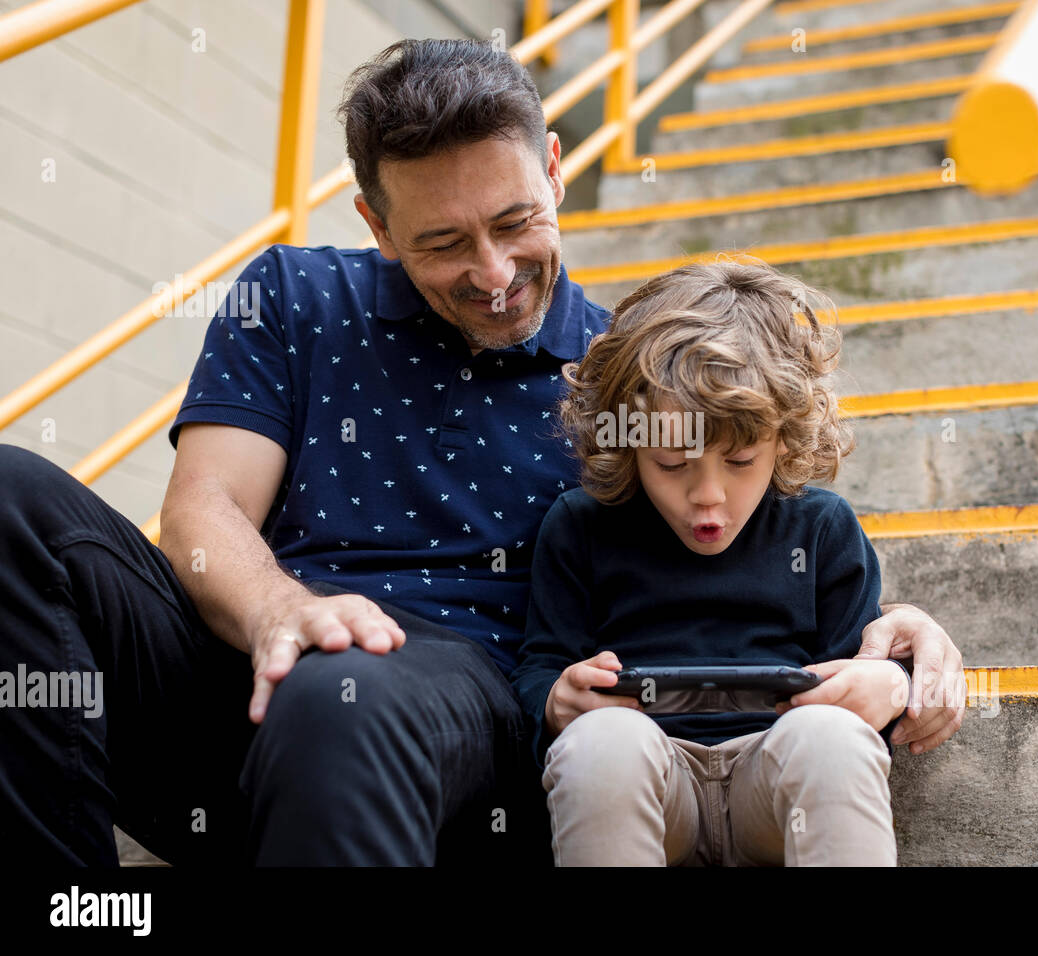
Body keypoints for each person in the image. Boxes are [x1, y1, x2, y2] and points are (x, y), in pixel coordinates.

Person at [0, 38, 963, 867]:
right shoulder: (294, 298)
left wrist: (904, 628)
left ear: (552, 167)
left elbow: (736, 522)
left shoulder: (622, 368)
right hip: (238, 684)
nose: (496, 276)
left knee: (342, 691)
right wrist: (287, 613)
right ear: (375, 225)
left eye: (515, 224)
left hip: (448, 731)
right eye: (444, 243)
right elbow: (202, 512)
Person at [511, 258, 918, 866]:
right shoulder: (580, 526)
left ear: (783, 439)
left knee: (832, 738)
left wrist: (887, 685)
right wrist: (557, 699)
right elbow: (540, 665)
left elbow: (858, 668)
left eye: (740, 461)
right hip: (651, 780)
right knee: (599, 743)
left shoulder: (822, 528)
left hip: (775, 785)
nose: (708, 495)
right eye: (672, 466)